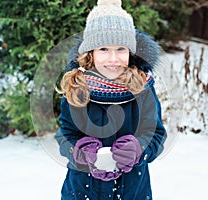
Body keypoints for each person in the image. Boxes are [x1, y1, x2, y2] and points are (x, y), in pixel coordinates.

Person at [55, 0, 167, 199]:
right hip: (82, 191)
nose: (113, 59)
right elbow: (65, 135)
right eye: (103, 49)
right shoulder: (77, 87)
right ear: (90, 53)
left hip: (132, 192)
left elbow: (156, 134)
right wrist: (79, 153)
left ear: (131, 52)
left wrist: (138, 150)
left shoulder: (143, 88)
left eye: (121, 49)